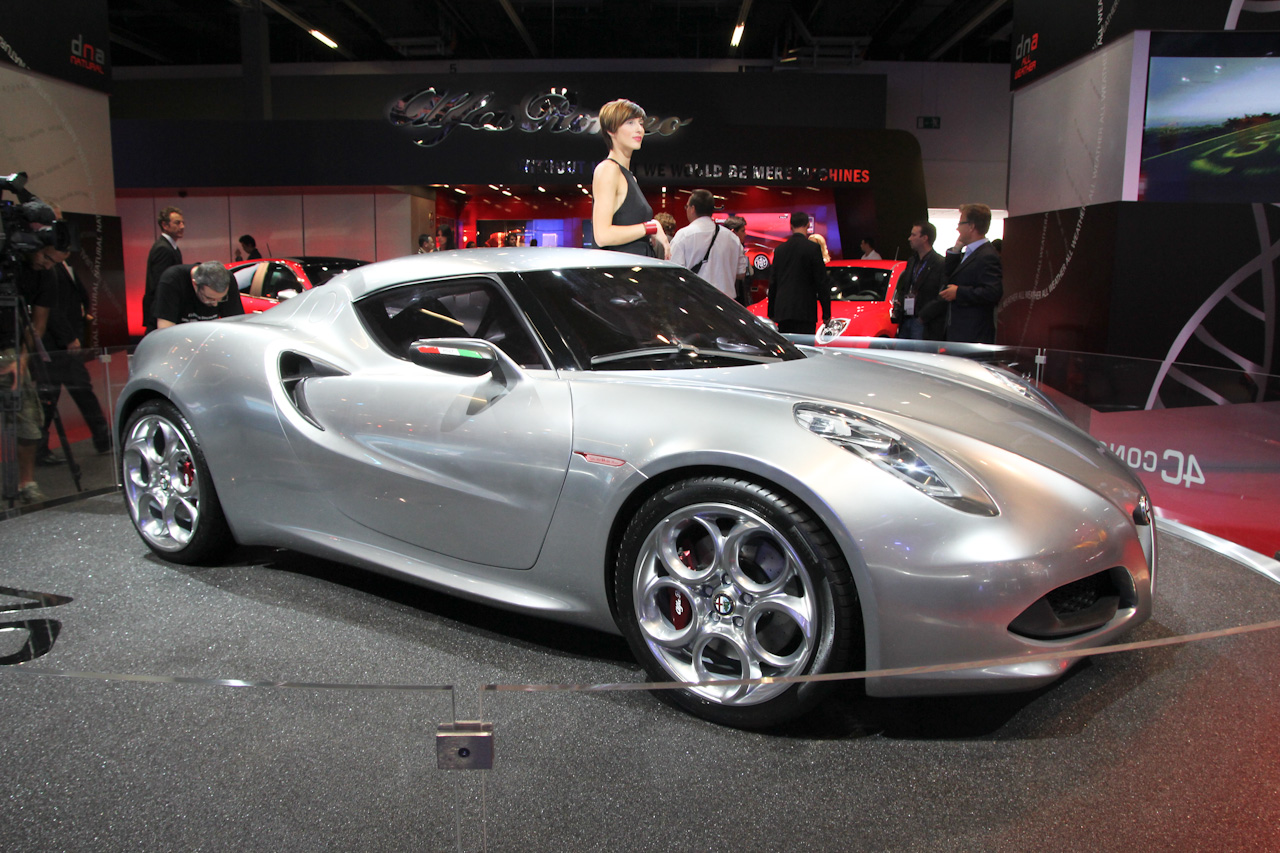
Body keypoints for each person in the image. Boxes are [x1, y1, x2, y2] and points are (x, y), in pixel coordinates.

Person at [28, 247, 112, 461]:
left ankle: (103, 438)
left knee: (78, 390)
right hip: (55, 343)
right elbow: (49, 308)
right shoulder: (49, 269)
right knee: (51, 395)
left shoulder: (63, 266)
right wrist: (67, 337)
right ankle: (39, 447)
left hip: (65, 341)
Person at [4, 238, 63, 504]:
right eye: (46, 257)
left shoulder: (46, 277)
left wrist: (22, 360)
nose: (46, 264)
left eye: (53, 262)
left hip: (11, 352)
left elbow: (37, 324)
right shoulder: (10, 263)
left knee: (27, 418)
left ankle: (26, 482)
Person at [590, 98, 669, 258]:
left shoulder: (628, 176)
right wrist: (650, 227)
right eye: (630, 123)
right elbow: (602, 235)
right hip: (620, 275)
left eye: (640, 123)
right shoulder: (608, 170)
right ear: (611, 130)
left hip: (635, 271)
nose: (639, 129)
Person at [938, 203, 1002, 344]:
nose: (957, 228)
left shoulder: (987, 255)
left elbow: (993, 292)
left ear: (971, 226)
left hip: (973, 334)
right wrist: (955, 250)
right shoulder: (969, 252)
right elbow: (949, 274)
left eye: (961, 223)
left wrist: (959, 292)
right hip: (957, 330)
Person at [668, 189, 742, 299]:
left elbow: (674, 274)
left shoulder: (683, 236)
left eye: (687, 206)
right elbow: (741, 274)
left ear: (692, 209)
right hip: (727, 307)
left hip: (697, 304)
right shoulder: (733, 238)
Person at [768, 211, 830, 335]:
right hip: (805, 310)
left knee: (787, 350)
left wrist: (771, 312)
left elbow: (773, 282)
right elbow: (821, 281)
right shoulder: (813, 248)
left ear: (791, 226)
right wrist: (826, 313)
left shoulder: (780, 250)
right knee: (806, 350)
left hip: (783, 310)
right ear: (807, 225)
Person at [893, 221, 946, 341]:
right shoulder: (912, 261)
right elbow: (905, 287)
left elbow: (942, 296)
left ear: (924, 238)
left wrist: (923, 316)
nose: (909, 238)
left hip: (925, 321)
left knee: (919, 356)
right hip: (906, 318)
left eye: (913, 235)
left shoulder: (940, 264)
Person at [152, 262, 245, 329]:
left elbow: (236, 325)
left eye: (221, 298)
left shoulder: (229, 279)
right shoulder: (172, 280)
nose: (215, 305)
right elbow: (165, 330)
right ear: (195, 285)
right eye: (209, 298)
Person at [142, 207, 184, 333]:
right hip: (161, 312)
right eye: (177, 223)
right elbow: (161, 284)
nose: (182, 226)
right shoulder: (163, 249)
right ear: (165, 225)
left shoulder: (170, 247)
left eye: (183, 222)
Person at [722, 215, 750, 303]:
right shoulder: (736, 245)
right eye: (742, 231)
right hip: (733, 293)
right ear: (733, 232)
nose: (745, 234)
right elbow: (741, 273)